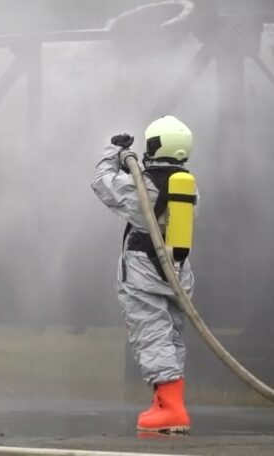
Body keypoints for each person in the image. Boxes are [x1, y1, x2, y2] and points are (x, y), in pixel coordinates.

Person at [91, 115, 196, 434]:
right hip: (177, 272)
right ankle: (167, 401)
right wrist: (132, 167)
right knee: (171, 336)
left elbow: (103, 184)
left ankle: (171, 408)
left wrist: (114, 153)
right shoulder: (187, 186)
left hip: (144, 271)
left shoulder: (145, 186)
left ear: (153, 145)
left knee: (151, 333)